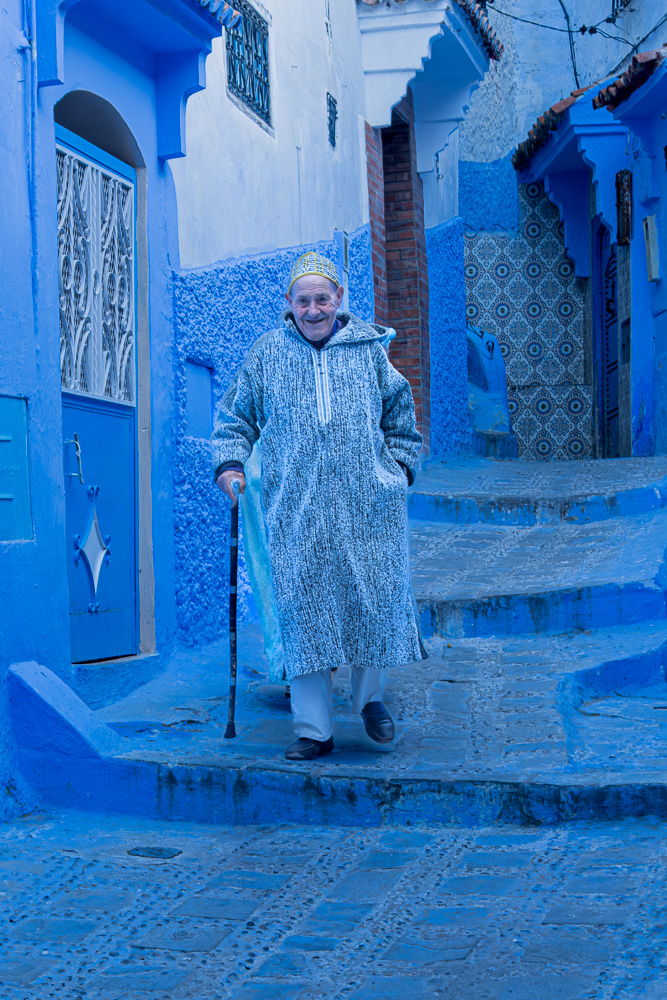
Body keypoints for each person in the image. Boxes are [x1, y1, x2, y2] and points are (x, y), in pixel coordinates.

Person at [213, 251, 428, 761]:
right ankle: (314, 729)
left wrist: (399, 469)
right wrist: (230, 464)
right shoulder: (266, 354)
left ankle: (370, 700)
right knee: (304, 612)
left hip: (369, 506)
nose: (314, 310)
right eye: (304, 300)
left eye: (323, 299)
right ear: (289, 303)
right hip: (297, 511)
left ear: (339, 301)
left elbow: (400, 412)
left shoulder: (369, 350)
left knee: (371, 602)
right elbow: (235, 415)